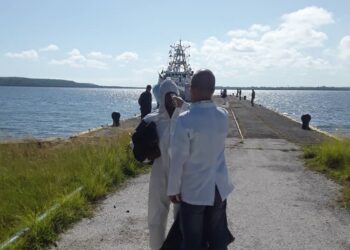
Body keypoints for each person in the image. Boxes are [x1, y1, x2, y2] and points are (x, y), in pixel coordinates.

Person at [168, 69, 234, 250]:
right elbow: (204, 116)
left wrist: (173, 188)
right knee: (218, 238)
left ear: (193, 89)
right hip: (219, 187)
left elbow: (177, 158)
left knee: (192, 241)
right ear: (212, 90)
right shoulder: (223, 115)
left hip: (195, 190)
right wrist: (186, 106)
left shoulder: (184, 120)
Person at [144, 79, 188, 250]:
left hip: (182, 177)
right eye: (166, 94)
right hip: (159, 175)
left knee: (182, 222)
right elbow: (136, 147)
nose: (170, 98)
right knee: (155, 219)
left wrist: (184, 106)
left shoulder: (186, 118)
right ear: (161, 97)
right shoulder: (152, 120)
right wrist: (148, 153)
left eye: (173, 94)